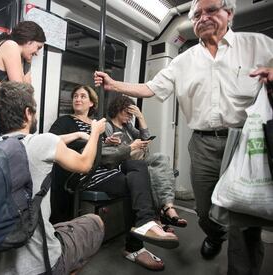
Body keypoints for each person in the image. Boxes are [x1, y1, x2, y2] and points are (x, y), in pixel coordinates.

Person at [94, 0, 273, 274]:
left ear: (230, 14)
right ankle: (213, 234)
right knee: (205, 211)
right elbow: (150, 88)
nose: (203, 17)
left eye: (211, 10)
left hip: (245, 141)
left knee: (244, 219)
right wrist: (113, 84)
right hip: (203, 143)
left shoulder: (257, 45)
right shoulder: (184, 61)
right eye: (197, 14)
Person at [49, 85, 179, 271]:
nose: (78, 99)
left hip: (104, 166)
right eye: (75, 96)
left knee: (139, 166)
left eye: (83, 96)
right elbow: (51, 140)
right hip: (85, 171)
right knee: (132, 184)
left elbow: (104, 152)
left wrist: (105, 142)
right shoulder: (66, 121)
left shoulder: (97, 124)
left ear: (92, 102)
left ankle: (145, 222)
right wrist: (82, 135)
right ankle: (135, 245)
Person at [0, 81, 106, 275]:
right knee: (95, 223)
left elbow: (52, 141)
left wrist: (75, 134)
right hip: (40, 266)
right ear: (27, 113)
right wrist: (95, 133)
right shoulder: (41, 143)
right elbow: (85, 164)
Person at [106, 95, 187, 228]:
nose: (129, 116)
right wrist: (132, 146)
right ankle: (160, 217)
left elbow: (145, 137)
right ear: (117, 109)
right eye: (127, 112)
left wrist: (140, 117)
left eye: (131, 113)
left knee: (161, 158)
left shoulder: (127, 126)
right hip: (123, 163)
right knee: (151, 172)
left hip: (137, 160)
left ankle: (168, 205)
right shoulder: (107, 126)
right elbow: (110, 153)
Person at [0, 21, 46, 142]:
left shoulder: (20, 56)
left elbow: (28, 88)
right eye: (38, 47)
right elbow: (21, 93)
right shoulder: (10, 46)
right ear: (29, 40)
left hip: (5, 116)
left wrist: (28, 61)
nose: (37, 52)